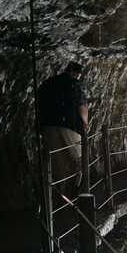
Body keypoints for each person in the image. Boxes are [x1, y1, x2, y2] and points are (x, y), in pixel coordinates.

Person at [38, 60, 89, 203]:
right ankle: (74, 192)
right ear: (77, 74)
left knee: (57, 163)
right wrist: (86, 123)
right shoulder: (76, 84)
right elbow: (81, 106)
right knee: (78, 160)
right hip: (70, 125)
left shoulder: (47, 83)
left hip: (47, 126)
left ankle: (58, 195)